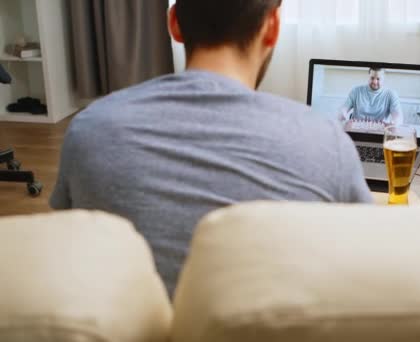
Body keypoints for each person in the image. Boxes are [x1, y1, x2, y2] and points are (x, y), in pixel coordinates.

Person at [50, 0, 372, 295]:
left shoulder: (90, 129)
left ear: (174, 24)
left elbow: (70, 251)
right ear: (272, 27)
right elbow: (365, 261)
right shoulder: (327, 142)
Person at [338, 68, 403, 126]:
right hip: (356, 130)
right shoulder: (356, 91)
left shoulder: (391, 94)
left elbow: (398, 116)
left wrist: (395, 122)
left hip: (380, 132)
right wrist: (343, 114)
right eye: (372, 78)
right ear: (368, 77)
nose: (375, 82)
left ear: (383, 79)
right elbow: (344, 108)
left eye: (378, 79)